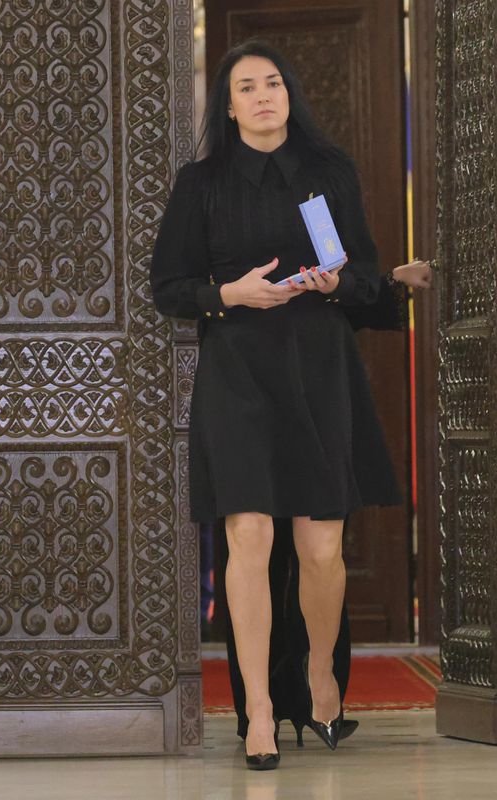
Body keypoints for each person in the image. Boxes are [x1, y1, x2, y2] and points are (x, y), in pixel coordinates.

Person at [150, 39, 403, 770]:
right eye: (247, 87)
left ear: (289, 94)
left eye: (273, 83)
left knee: (321, 548)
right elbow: (168, 288)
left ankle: (320, 674)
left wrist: (337, 284)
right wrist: (229, 294)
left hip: (319, 367)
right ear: (228, 106)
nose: (263, 96)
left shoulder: (330, 173)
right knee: (249, 537)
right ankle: (258, 708)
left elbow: (364, 278)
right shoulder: (201, 183)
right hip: (237, 372)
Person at [219, 259, 432, 747]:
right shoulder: (225, 229)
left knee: (319, 557)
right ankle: (260, 710)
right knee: (253, 553)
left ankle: (315, 689)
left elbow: (353, 301)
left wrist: (383, 282)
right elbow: (183, 292)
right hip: (242, 390)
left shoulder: (330, 215)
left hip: (318, 391)